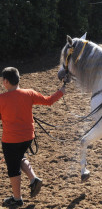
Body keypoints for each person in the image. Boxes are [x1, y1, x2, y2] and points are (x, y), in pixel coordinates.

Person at [0, 67, 65, 207]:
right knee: (20, 156)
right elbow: (48, 101)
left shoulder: (1, 98)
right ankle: (33, 179)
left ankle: (17, 199)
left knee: (13, 168)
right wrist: (61, 91)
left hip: (11, 139)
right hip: (28, 137)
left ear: (5, 81)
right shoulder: (29, 93)